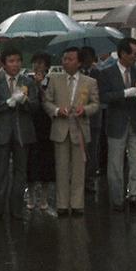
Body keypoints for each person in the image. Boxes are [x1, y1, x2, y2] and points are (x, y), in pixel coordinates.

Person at [43, 48, 100, 217]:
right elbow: (47, 101)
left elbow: (96, 104)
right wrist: (57, 110)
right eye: (64, 58)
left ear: (79, 62)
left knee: (78, 169)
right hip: (61, 128)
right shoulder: (54, 79)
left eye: (70, 59)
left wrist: (85, 109)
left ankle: (77, 204)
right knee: (61, 168)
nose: (65, 61)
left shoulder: (90, 82)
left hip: (80, 129)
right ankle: (61, 204)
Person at [99, 37, 136, 212]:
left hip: (134, 122)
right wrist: (124, 93)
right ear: (123, 53)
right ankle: (117, 199)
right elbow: (104, 97)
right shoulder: (107, 73)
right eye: (134, 54)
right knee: (115, 163)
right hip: (116, 122)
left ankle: (135, 195)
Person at [0, 47, 39, 221]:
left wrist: (24, 101)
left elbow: (35, 106)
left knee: (20, 172)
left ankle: (17, 208)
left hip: (22, 133)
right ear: (3, 64)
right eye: (11, 61)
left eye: (18, 61)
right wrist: (7, 103)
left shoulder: (28, 82)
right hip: (2, 132)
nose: (15, 64)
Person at [25, 52, 55, 212]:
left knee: (46, 162)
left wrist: (40, 88)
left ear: (47, 67)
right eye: (35, 62)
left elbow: (50, 102)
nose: (37, 66)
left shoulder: (51, 82)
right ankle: (30, 195)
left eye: (41, 63)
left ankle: (44, 197)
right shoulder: (27, 82)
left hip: (47, 126)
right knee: (30, 162)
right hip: (30, 125)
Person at [79, 46, 104, 191]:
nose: (87, 60)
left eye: (89, 57)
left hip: (94, 119)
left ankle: (89, 179)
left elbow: (100, 95)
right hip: (78, 118)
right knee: (80, 150)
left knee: (92, 151)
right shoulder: (76, 74)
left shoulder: (98, 74)